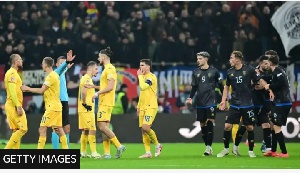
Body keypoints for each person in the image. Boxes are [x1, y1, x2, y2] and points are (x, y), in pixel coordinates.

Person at [217, 51, 273, 158]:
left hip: (247, 104)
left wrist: (268, 88)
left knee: (250, 127)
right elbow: (226, 87)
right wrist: (223, 100)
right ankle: (226, 149)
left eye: (231, 58)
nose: (230, 60)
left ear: (238, 59)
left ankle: (251, 151)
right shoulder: (230, 72)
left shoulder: (249, 70)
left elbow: (259, 80)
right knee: (227, 126)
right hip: (234, 104)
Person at [21, 52, 75, 149]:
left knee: (42, 129)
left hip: (52, 108)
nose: (42, 65)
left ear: (46, 65)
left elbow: (42, 90)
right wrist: (67, 63)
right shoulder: (55, 75)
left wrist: (28, 88)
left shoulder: (51, 76)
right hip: (57, 106)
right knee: (59, 129)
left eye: (42, 63)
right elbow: (61, 70)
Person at [186, 51, 222, 156]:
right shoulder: (196, 72)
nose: (198, 60)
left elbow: (220, 85)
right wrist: (190, 98)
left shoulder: (214, 71)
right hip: (200, 101)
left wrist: (224, 99)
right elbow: (194, 87)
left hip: (211, 101)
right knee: (202, 124)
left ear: (206, 59)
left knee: (210, 122)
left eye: (200, 58)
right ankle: (208, 146)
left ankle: (208, 147)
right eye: (198, 59)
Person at [92, 47, 126, 159]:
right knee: (104, 127)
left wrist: (97, 93)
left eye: (99, 56)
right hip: (105, 101)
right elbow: (105, 85)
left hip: (106, 102)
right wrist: (94, 87)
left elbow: (110, 87)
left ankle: (119, 145)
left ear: (103, 57)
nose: (98, 58)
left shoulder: (110, 69)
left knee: (101, 126)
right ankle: (107, 153)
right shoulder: (107, 68)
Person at [263, 55, 291, 158]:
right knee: (273, 124)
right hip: (281, 102)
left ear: (270, 62)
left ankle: (284, 152)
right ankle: (273, 150)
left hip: (282, 102)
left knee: (276, 126)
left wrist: (269, 86)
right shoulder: (279, 71)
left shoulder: (278, 72)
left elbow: (280, 83)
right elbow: (272, 79)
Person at [137, 59, 163, 158]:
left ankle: (158, 145)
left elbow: (143, 87)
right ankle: (148, 152)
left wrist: (139, 76)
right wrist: (138, 106)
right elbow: (142, 93)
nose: (140, 67)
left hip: (151, 106)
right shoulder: (142, 77)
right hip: (143, 107)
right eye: (140, 65)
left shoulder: (151, 77)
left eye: (142, 65)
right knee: (143, 130)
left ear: (148, 67)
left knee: (146, 127)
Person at [3, 54, 28, 149]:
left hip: (13, 105)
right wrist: (18, 105)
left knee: (16, 130)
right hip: (13, 105)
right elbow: (12, 91)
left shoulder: (15, 73)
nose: (22, 61)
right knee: (23, 128)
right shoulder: (12, 74)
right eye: (20, 60)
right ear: (16, 61)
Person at [78, 61, 101, 158]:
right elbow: (84, 91)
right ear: (90, 69)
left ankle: (83, 152)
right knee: (92, 129)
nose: (97, 71)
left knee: (85, 131)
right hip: (86, 108)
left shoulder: (84, 78)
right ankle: (94, 152)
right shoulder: (87, 78)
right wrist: (84, 103)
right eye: (96, 69)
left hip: (83, 108)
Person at [51, 55, 74, 149]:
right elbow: (61, 69)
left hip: (65, 101)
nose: (63, 65)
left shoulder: (63, 72)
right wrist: (66, 64)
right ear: (56, 65)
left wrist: (66, 67)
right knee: (56, 128)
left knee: (66, 128)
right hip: (58, 101)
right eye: (61, 63)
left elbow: (63, 69)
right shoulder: (55, 73)